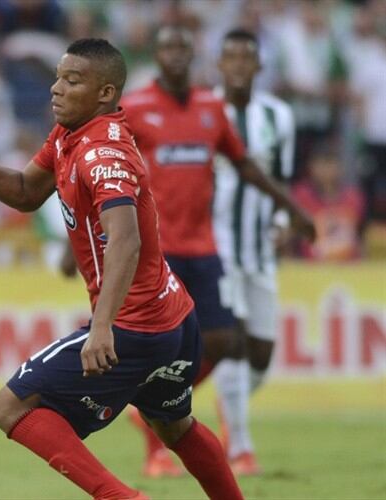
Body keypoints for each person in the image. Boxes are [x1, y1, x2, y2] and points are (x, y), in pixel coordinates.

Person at [0, 37, 243, 500]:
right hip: (174, 317)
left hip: (133, 326)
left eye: (72, 80)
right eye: (58, 77)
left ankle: (122, 497)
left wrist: (102, 328)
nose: (56, 88)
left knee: (11, 406)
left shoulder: (104, 155)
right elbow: (24, 191)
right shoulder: (69, 136)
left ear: (106, 93)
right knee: (175, 426)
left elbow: (126, 240)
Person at [119, 24, 315, 478]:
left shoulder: (210, 109)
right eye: (167, 45)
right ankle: (161, 445)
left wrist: (292, 209)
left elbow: (244, 163)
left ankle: (151, 408)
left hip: (205, 247)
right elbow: (113, 165)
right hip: (158, 248)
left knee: (224, 342)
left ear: (194, 54)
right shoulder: (136, 108)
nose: (175, 53)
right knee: (161, 344)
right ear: (156, 53)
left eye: (183, 46)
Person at [210, 28, 297, 476]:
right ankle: (240, 448)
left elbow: (283, 179)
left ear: (259, 66)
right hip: (217, 248)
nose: (240, 65)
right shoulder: (205, 112)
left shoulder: (278, 116)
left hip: (261, 251)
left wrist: (283, 223)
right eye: (231, 57)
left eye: (248, 57)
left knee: (261, 356)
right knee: (235, 345)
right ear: (220, 64)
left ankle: (228, 409)